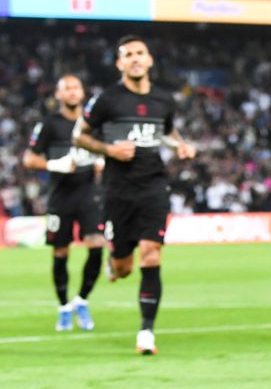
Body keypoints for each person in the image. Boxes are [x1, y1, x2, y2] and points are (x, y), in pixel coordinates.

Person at [74, 35, 196, 355]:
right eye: (128, 54)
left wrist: (179, 145)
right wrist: (108, 149)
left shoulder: (163, 100)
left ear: (150, 59)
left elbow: (166, 132)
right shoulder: (106, 100)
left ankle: (146, 333)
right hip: (117, 190)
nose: (135, 58)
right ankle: (114, 264)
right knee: (124, 266)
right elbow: (80, 135)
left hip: (154, 185)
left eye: (140, 53)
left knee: (151, 253)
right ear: (120, 64)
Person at [23, 75, 105, 332]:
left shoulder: (93, 125)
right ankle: (63, 306)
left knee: (96, 246)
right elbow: (29, 159)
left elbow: (106, 151)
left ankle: (81, 300)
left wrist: (103, 162)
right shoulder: (49, 125)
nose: (72, 92)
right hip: (60, 197)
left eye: (75, 87)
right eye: (66, 88)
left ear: (82, 92)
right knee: (61, 253)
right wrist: (53, 164)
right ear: (57, 95)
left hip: (89, 194)